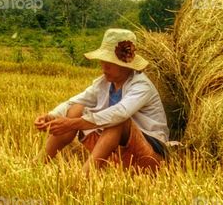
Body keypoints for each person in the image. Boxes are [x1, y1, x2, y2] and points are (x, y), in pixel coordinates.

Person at [34, 28, 169, 174]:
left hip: (151, 154)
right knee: (76, 109)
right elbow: (73, 102)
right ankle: (37, 164)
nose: (104, 66)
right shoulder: (103, 83)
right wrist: (51, 117)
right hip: (117, 151)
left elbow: (120, 113)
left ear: (125, 64)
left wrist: (71, 123)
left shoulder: (141, 85)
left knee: (117, 121)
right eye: (103, 60)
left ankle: (83, 177)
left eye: (110, 61)